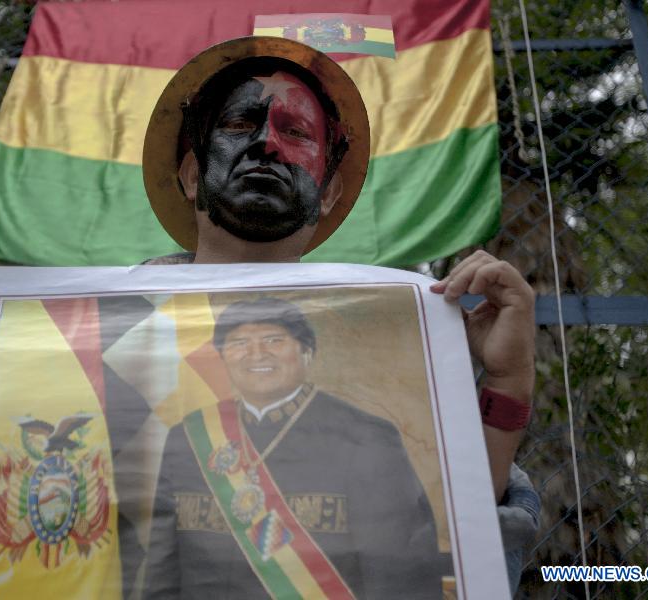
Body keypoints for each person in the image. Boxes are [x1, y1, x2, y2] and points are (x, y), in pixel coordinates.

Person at [139, 36, 539, 595]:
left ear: (329, 191)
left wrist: (508, 381)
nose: (267, 145)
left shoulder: (401, 347)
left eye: (295, 132)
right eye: (239, 125)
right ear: (189, 174)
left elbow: (448, 537)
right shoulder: (106, 334)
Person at [144, 298, 442, 598]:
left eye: (274, 340)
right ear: (223, 357)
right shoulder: (188, 436)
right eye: (239, 342)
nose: (256, 354)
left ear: (306, 351)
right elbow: (161, 563)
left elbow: (399, 571)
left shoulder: (367, 437)